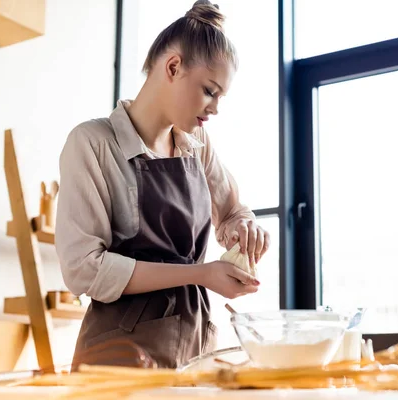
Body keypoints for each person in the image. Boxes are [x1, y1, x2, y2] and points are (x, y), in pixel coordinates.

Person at [55, 0, 270, 369]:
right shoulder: (92, 144)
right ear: (173, 66)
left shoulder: (196, 147)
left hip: (193, 348)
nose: (215, 108)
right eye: (209, 90)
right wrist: (201, 274)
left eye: (221, 96)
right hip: (117, 361)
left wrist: (245, 230)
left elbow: (233, 211)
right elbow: (84, 269)